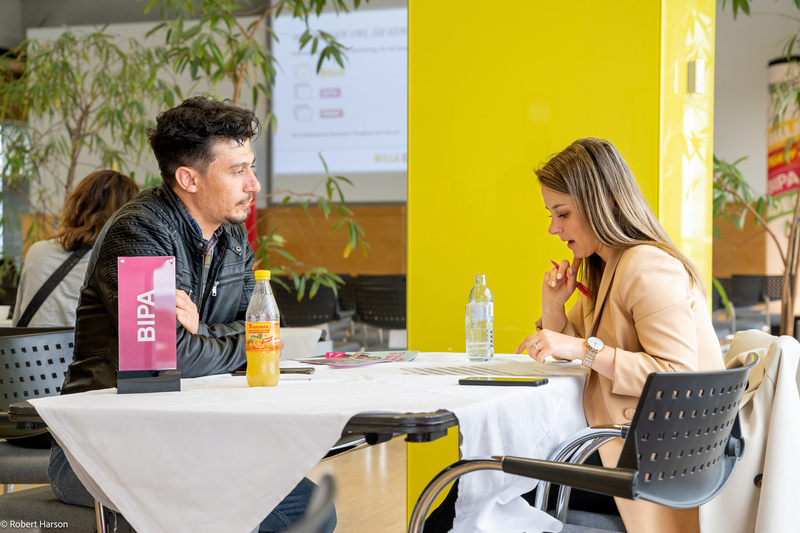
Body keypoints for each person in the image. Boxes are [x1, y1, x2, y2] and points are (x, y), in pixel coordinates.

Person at [48, 95, 336, 533]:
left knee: (313, 508)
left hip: (187, 436)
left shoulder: (232, 237)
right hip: (102, 446)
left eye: (251, 167)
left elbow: (266, 333)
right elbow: (165, 363)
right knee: (275, 518)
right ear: (189, 178)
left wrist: (198, 329)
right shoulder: (138, 232)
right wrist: (231, 341)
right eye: (238, 171)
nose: (253, 184)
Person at [514, 137, 723, 533]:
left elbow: (676, 376)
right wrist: (554, 308)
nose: (553, 229)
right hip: (640, 451)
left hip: (656, 466)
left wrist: (583, 348)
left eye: (562, 213)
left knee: (483, 490)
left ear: (605, 202)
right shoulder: (607, 266)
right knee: (487, 485)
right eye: (550, 215)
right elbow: (563, 348)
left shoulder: (646, 266)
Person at [12, 170, 140, 328]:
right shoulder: (122, 263)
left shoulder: (37, 251)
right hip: (79, 352)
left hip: (29, 351)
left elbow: (17, 321)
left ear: (78, 204)